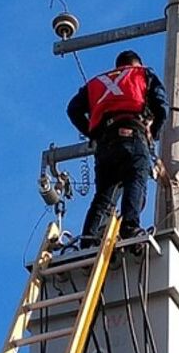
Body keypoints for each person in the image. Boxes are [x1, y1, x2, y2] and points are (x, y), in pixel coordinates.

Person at [67, 50, 168, 248]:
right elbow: (161, 106)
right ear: (136, 64)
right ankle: (130, 227)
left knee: (104, 196)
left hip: (105, 143)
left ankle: (88, 239)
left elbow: (73, 109)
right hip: (133, 134)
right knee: (135, 179)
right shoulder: (142, 74)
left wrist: (93, 134)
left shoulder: (96, 83)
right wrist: (153, 133)